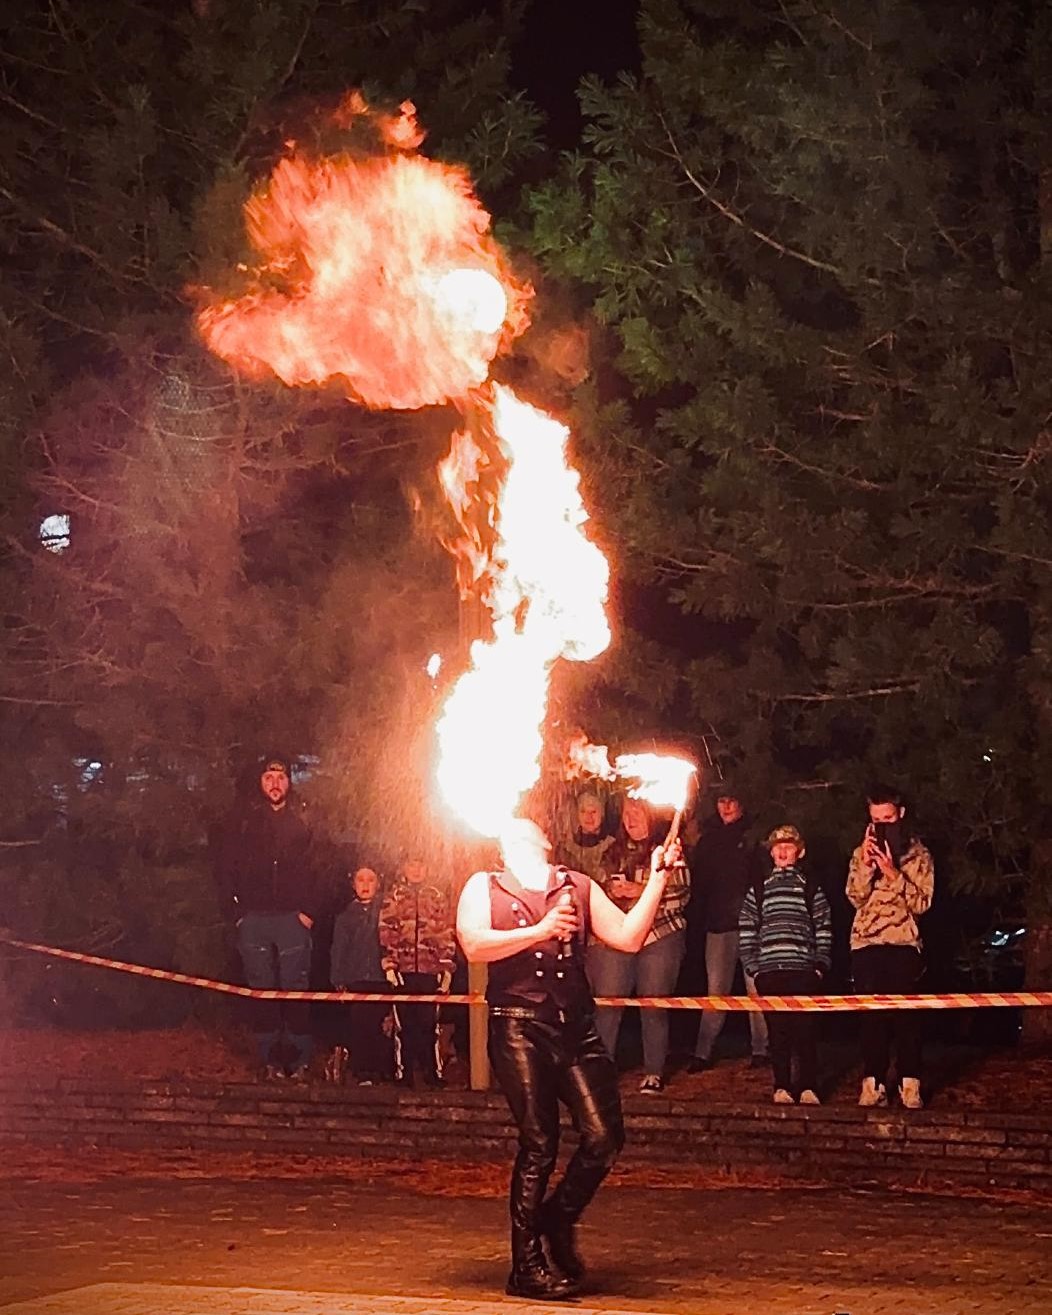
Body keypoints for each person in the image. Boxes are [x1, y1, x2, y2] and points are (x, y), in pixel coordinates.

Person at [456, 819, 678, 1302]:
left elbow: (628, 937)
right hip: (518, 1023)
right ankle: (525, 1267)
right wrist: (539, 930)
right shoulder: (484, 885)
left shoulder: (576, 885)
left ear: (544, 841)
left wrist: (658, 879)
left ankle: (557, 1218)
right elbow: (473, 944)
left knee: (605, 1137)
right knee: (540, 1140)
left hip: (575, 1026)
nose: (515, 824)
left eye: (527, 823)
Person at [215, 754, 322, 1080]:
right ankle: (270, 1060)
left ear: (290, 782)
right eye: (268, 777)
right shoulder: (244, 822)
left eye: (281, 777)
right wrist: (237, 914)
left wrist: (310, 911)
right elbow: (224, 869)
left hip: (293, 917)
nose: (275, 784)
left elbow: (323, 866)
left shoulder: (305, 820)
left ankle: (299, 1059)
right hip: (255, 919)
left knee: (295, 988)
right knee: (261, 989)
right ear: (259, 782)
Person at [588, 797, 690, 1092]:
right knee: (608, 1003)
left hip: (661, 936)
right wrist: (614, 893)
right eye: (626, 814)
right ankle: (600, 1071)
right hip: (620, 936)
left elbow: (680, 896)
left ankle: (653, 1072)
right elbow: (601, 894)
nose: (630, 820)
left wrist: (640, 892)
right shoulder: (613, 853)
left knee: (653, 1004)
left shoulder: (669, 851)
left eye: (637, 814)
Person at [846, 785, 935, 1110]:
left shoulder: (918, 854)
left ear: (900, 814)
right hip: (866, 943)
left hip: (902, 943)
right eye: (875, 820)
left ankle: (910, 1083)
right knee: (872, 1018)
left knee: (906, 1017)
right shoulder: (861, 852)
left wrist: (892, 873)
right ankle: (874, 1083)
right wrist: (868, 866)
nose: (882, 825)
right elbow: (854, 897)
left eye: (888, 818)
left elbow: (922, 902)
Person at [739, 825, 831, 1106]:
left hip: (802, 970)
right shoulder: (759, 888)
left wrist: (820, 964)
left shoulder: (809, 887)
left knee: (805, 1031)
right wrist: (753, 966)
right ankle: (781, 1085)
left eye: (788, 846)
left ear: (799, 852)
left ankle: (808, 1086)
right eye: (777, 846)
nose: (781, 850)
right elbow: (747, 927)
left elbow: (823, 925)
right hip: (770, 971)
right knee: (777, 1033)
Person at [688, 789, 769, 1071]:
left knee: (756, 990)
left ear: (742, 803)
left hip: (751, 925)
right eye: (722, 801)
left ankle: (761, 1049)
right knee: (716, 993)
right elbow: (700, 886)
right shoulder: (709, 840)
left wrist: (760, 917)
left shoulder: (754, 837)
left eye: (732, 800)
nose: (727, 806)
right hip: (718, 925)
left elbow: (762, 881)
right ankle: (703, 1052)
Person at [380, 856, 456, 1088]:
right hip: (403, 970)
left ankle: (433, 1073)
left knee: (429, 1025)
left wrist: (446, 968)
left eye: (420, 864)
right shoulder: (394, 897)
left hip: (429, 970)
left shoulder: (436, 897)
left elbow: (445, 933)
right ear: (403, 867)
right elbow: (386, 932)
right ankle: (404, 1074)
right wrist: (390, 965)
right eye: (411, 864)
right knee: (404, 1025)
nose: (416, 869)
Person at [330, 866, 392, 1085]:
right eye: (360, 880)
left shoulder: (387, 911)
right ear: (353, 884)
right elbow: (339, 949)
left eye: (370, 880)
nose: (365, 885)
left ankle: (384, 1070)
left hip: (382, 977)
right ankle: (362, 1071)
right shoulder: (346, 916)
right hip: (357, 978)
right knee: (360, 1024)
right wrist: (338, 979)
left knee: (382, 1025)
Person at [552, 789, 615, 882]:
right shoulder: (566, 849)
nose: (588, 817)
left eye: (593, 811)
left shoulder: (614, 846)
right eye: (583, 811)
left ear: (602, 814)